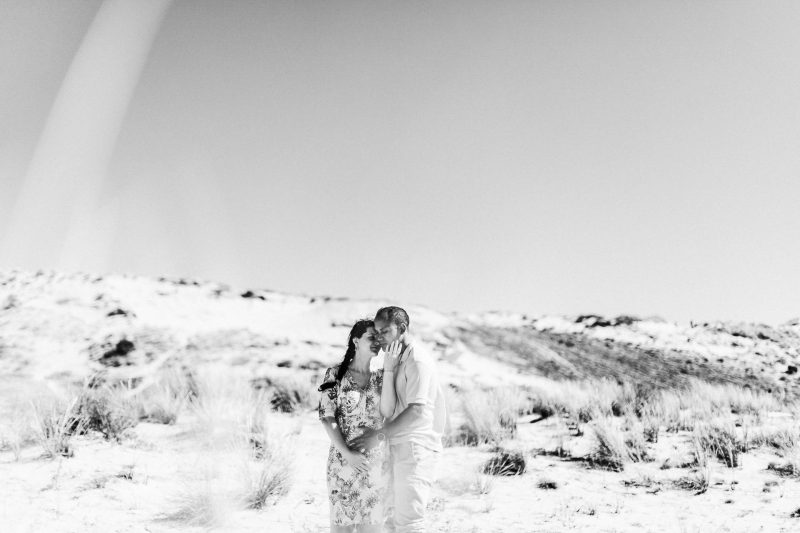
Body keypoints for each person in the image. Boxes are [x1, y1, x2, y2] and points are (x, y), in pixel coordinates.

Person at [350, 307, 447, 533]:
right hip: (396, 446)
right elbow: (389, 408)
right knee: (391, 523)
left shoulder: (417, 360)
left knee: (409, 523)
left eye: (385, 331)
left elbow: (417, 411)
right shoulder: (395, 359)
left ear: (402, 329)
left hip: (416, 448)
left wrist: (379, 436)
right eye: (376, 332)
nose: (379, 337)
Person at [318, 319, 403, 532]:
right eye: (370, 337)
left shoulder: (382, 378)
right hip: (342, 462)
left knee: (372, 527)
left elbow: (388, 412)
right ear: (356, 340)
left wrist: (391, 370)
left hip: (375, 466)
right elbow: (327, 417)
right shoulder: (336, 375)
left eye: (379, 337)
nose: (376, 341)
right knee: (342, 527)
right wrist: (346, 453)